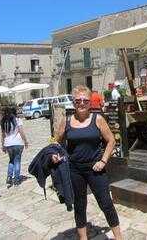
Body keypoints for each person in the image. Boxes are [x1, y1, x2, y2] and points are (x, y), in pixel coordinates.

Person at [54, 85, 123, 240]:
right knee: (79, 205)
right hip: (74, 170)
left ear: (90, 102)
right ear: (73, 102)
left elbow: (111, 140)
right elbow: (56, 142)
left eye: (85, 100)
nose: (82, 103)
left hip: (95, 169)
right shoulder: (66, 121)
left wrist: (103, 160)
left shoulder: (97, 119)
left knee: (106, 203)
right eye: (78, 100)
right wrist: (56, 156)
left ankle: (119, 237)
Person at [0, 107, 29, 187]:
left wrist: (3, 145)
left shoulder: (3, 122)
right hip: (18, 143)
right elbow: (21, 131)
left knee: (11, 160)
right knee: (17, 161)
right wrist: (25, 141)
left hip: (8, 143)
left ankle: (9, 177)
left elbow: (2, 135)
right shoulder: (17, 120)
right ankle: (16, 179)